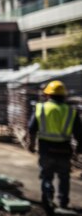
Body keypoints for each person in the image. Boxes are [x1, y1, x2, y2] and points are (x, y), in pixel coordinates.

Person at [27, 80, 82, 213]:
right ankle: (63, 203)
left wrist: (32, 144)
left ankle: (48, 201)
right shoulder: (71, 111)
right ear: (64, 96)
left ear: (48, 95)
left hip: (46, 149)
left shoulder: (41, 108)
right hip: (64, 150)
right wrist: (78, 149)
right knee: (64, 177)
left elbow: (31, 128)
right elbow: (79, 134)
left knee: (47, 176)